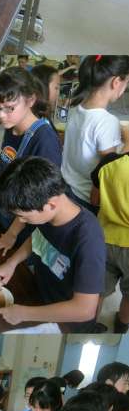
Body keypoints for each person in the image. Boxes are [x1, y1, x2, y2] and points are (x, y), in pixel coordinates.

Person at [0, 157, 106, 332]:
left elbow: (84, 310)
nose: (20, 221)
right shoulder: (52, 208)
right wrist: (11, 263)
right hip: (41, 295)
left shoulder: (88, 240)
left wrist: (23, 313)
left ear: (50, 205)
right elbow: (39, 237)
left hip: (65, 322)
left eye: (23, 217)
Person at [0, 68, 62, 255]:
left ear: (30, 100)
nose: (1, 115)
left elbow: (37, 199)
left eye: (9, 107)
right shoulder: (12, 126)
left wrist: (12, 234)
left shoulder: (44, 140)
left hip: (25, 224)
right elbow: (5, 170)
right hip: (6, 208)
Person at [61, 55, 129, 212]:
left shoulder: (77, 108)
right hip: (87, 198)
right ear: (116, 82)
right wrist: (127, 143)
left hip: (67, 187)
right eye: (127, 82)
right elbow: (110, 170)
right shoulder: (107, 121)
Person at [91, 142, 129, 332]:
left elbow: (94, 200)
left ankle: (89, 326)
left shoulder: (110, 163)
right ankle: (121, 326)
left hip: (104, 239)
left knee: (96, 291)